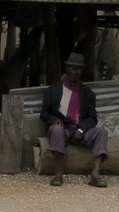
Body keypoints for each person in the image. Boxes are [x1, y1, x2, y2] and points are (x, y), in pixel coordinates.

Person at [40, 52, 109, 187]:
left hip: (79, 129)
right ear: (66, 68)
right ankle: (58, 175)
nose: (74, 71)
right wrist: (54, 120)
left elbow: (92, 118)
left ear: (81, 71)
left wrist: (82, 129)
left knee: (102, 133)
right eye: (71, 67)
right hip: (61, 129)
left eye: (77, 68)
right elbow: (44, 113)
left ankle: (95, 176)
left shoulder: (88, 94)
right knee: (58, 130)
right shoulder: (53, 90)